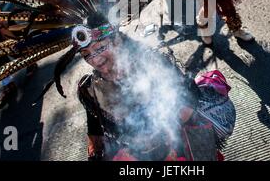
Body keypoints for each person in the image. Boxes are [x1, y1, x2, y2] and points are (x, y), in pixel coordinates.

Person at [72, 14, 232, 160]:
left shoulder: (153, 63)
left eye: (100, 48)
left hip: (180, 148)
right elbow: (95, 131)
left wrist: (160, 134)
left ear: (117, 41)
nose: (94, 59)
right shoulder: (90, 90)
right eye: (86, 54)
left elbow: (190, 99)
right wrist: (96, 154)